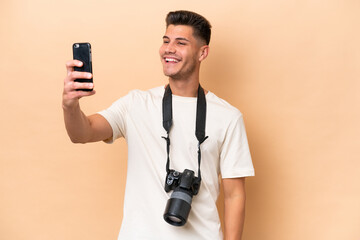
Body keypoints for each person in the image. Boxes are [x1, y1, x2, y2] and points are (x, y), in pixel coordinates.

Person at [63, 10, 254, 240]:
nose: (169, 49)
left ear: (203, 52)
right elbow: (82, 133)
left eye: (180, 42)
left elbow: (235, 195)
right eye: (166, 41)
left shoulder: (228, 117)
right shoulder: (135, 104)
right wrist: (70, 105)